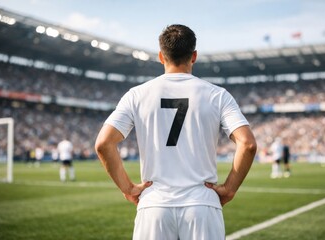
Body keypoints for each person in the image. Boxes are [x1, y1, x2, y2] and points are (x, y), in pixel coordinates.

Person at [95, 24, 257, 240]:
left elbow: (103, 144)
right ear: (194, 56)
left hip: (154, 205)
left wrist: (128, 188)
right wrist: (229, 189)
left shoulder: (137, 95)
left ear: (161, 56)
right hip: (202, 204)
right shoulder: (218, 95)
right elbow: (248, 144)